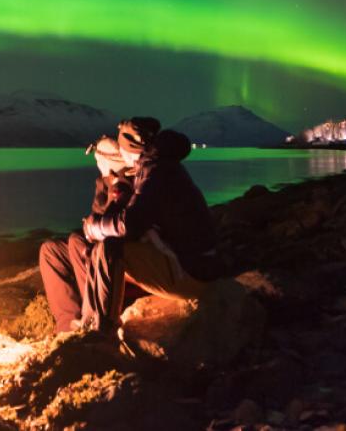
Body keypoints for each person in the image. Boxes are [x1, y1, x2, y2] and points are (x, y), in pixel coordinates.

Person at [39, 117, 217, 334]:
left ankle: (101, 330)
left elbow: (130, 224)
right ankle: (70, 327)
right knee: (60, 248)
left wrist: (94, 226)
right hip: (183, 261)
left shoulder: (155, 171)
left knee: (107, 247)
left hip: (190, 270)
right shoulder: (155, 167)